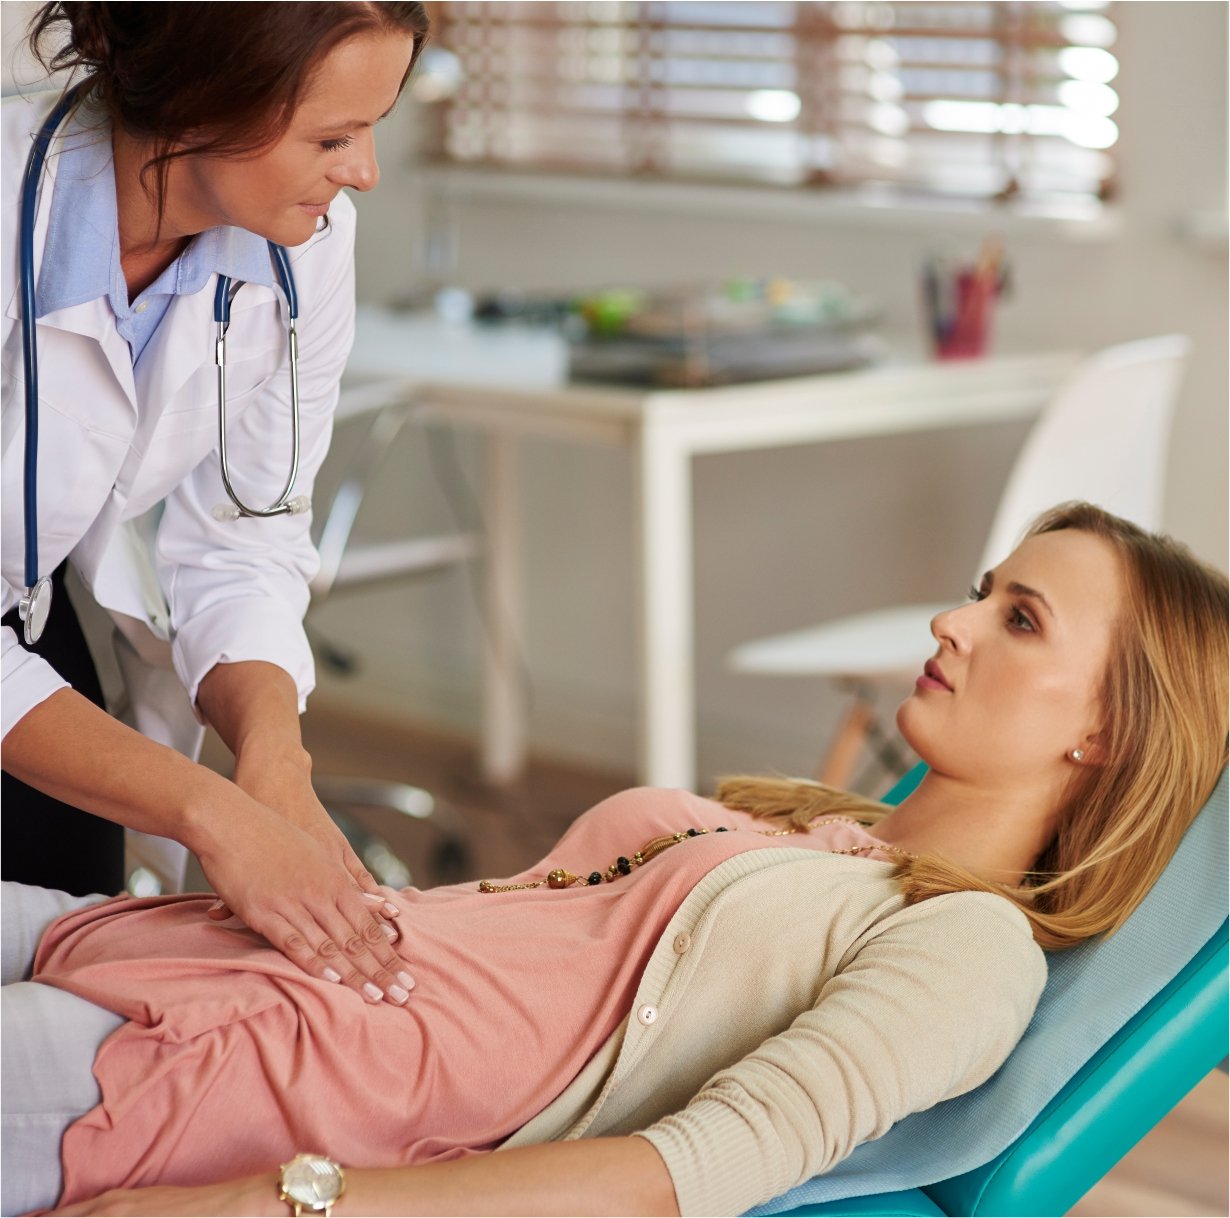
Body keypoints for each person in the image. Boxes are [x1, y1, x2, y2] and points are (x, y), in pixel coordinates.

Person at [2, 503, 1226, 1218]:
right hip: (185, 947)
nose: (950, 622)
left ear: (1109, 730)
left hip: (236, 1068)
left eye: (1020, 620)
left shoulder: (973, 947)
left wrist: (285, 1202)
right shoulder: (817, 829)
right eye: (982, 592)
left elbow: (673, 1177)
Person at [1, 4, 430, 1007]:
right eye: (333, 138)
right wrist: (211, 812)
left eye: (372, 130)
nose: (364, 172)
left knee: (69, 970)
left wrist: (275, 765)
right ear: (202, 100)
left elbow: (246, 537)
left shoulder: (303, 247)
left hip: (25, 610)